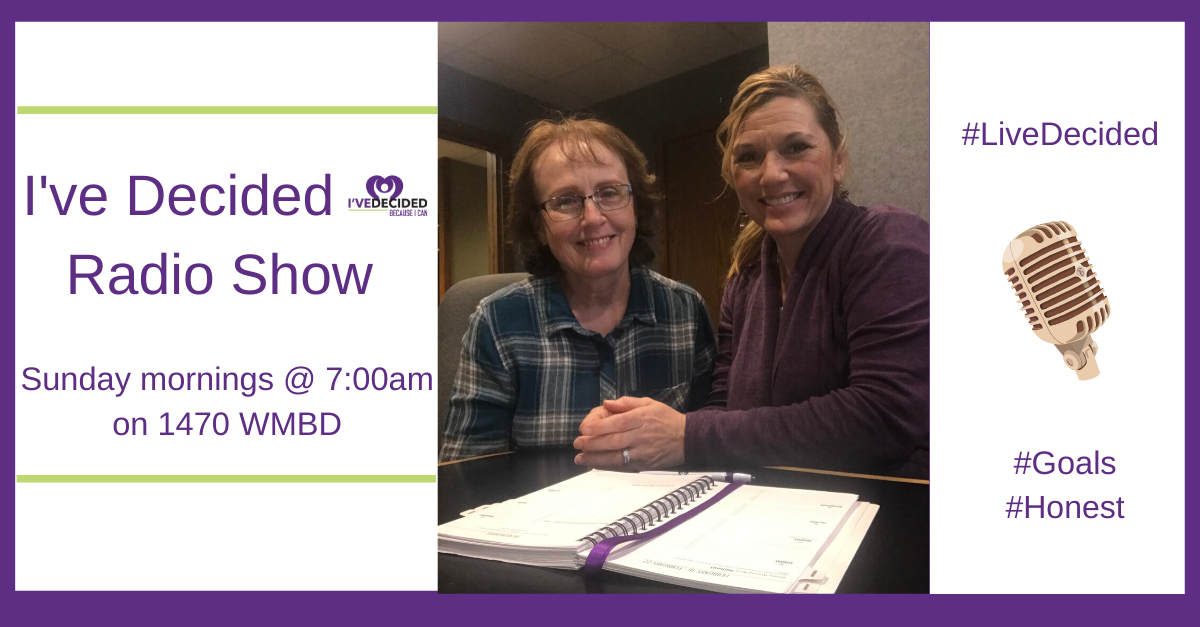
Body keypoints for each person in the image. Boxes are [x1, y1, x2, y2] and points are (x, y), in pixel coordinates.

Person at [573, 65, 930, 479]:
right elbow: (724, 408)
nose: (772, 174)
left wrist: (687, 435)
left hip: (889, 506)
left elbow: (886, 413)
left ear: (838, 161)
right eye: (748, 157)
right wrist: (633, 433)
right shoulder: (746, 278)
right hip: (766, 505)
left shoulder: (887, 241)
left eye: (796, 147)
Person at [439, 117, 716, 463]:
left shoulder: (685, 311)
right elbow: (468, 475)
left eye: (609, 193)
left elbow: (708, 445)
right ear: (539, 226)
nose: (593, 217)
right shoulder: (498, 323)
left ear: (635, 206)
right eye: (566, 201)